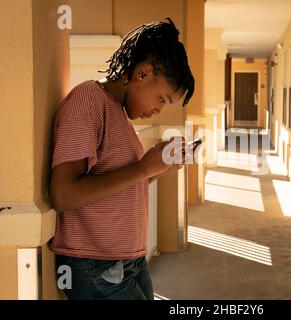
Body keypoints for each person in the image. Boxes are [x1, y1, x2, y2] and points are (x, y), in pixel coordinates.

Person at [49, 18, 194, 300]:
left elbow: (119, 184)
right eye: (162, 99)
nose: (158, 110)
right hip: (96, 266)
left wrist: (158, 167)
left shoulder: (116, 111)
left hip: (127, 261)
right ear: (142, 73)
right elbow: (63, 194)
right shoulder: (87, 101)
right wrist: (143, 168)